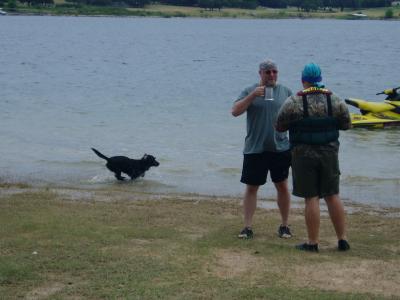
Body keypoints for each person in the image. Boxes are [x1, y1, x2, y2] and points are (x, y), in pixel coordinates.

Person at [276, 63, 351, 252]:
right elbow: (346, 124)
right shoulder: (335, 99)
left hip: (304, 155)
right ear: (320, 78)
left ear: (303, 81)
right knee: (333, 195)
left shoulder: (294, 101)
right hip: (330, 153)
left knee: (311, 197)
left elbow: (279, 125)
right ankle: (342, 239)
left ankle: (313, 242)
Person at [232, 59, 293, 239]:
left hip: (280, 148)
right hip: (255, 149)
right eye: (268, 72)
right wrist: (252, 96)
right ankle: (247, 227)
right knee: (252, 187)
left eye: (274, 72)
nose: (271, 75)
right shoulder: (250, 90)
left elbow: (295, 117)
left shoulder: (285, 92)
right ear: (260, 74)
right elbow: (235, 111)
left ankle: (284, 225)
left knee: (282, 186)